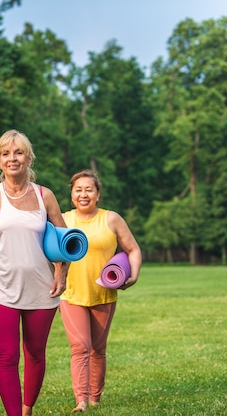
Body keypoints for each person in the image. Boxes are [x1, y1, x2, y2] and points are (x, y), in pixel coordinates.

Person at [0, 130, 69, 416]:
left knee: (35, 354)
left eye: (18, 152)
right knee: (6, 357)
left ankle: (27, 409)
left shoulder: (44, 195)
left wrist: (62, 274)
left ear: (28, 157)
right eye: (6, 154)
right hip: (0, 290)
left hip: (41, 289)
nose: (13, 158)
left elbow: (64, 241)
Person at [59, 169, 142, 413]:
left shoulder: (111, 219)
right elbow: (50, 253)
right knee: (80, 347)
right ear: (72, 194)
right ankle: (81, 400)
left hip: (104, 294)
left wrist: (134, 275)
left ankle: (95, 397)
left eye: (89, 190)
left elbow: (133, 249)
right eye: (78, 190)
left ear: (98, 194)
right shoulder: (63, 219)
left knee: (98, 349)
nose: (83, 194)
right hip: (72, 294)